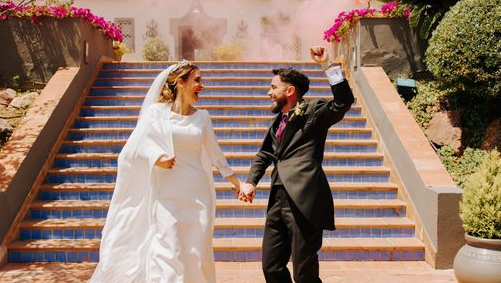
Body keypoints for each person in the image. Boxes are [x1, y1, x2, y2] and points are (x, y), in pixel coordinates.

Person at [90, 61, 244, 283]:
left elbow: (216, 155)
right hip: (167, 193)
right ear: (180, 82)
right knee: (167, 248)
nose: (202, 86)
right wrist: (156, 158)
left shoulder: (203, 117)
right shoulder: (156, 113)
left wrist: (237, 185)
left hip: (198, 193)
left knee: (195, 252)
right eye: (197, 80)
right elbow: (135, 148)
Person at [239, 46, 355, 283]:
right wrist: (251, 182)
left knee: (304, 273)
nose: (268, 92)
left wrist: (327, 66)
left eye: (273, 87)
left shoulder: (313, 111)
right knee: (271, 268)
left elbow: (343, 101)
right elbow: (264, 154)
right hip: (277, 200)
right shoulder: (277, 123)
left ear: (290, 90)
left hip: (304, 200)